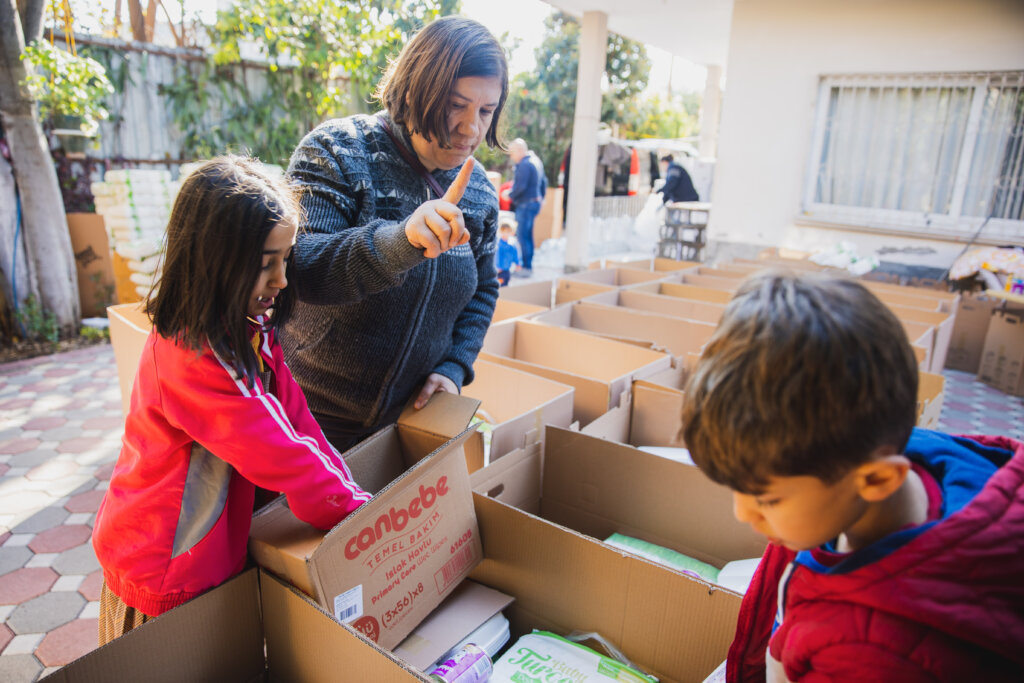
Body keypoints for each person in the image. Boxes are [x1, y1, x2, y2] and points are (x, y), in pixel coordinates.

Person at [681, 271, 1024, 682]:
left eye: (767, 499)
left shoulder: (876, 657)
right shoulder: (870, 458)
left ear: (877, 480)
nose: (742, 513)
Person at [92, 156, 371, 644]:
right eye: (266, 264)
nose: (282, 280)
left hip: (203, 554)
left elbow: (296, 422)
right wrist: (361, 518)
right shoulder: (195, 357)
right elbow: (280, 453)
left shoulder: (246, 329)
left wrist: (356, 501)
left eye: (285, 259)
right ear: (212, 260)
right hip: (166, 567)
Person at [283, 16, 508, 452]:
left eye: (486, 111)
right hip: (304, 417)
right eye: (455, 105)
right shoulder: (337, 150)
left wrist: (454, 366)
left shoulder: (479, 191)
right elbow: (301, 268)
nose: (471, 129)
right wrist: (401, 241)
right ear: (413, 91)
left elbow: (483, 289)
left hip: (404, 425)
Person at [507, 137, 546, 276]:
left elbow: (520, 187)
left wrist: (509, 195)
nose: (511, 157)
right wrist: (541, 199)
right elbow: (544, 182)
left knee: (523, 237)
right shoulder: (536, 161)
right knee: (528, 236)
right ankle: (528, 265)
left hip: (526, 204)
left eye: (512, 153)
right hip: (534, 202)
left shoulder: (524, 164)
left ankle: (526, 267)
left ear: (519, 150)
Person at [495, 221, 520, 286]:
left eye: (507, 232)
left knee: (506, 282)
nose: (505, 234)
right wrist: (498, 267)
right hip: (500, 270)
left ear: (511, 232)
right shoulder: (499, 244)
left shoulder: (512, 244)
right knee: (501, 284)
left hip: (508, 269)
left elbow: (515, 255)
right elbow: (497, 257)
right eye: (503, 232)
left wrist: (518, 263)